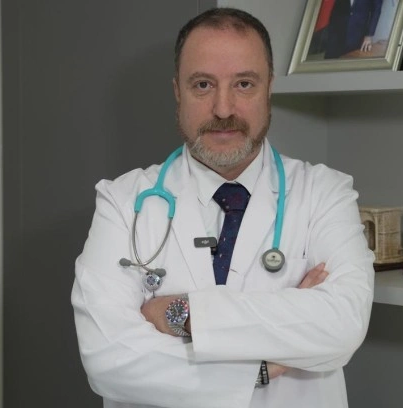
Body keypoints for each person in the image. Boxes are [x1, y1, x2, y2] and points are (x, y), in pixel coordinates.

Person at [72, 7, 375, 408]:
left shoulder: (325, 193)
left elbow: (343, 323)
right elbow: (108, 359)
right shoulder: (123, 201)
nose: (223, 109)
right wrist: (261, 368)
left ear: (269, 88)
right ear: (178, 91)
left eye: (244, 84)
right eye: (203, 85)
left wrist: (178, 314)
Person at [318, 0, 384, 59]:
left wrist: (369, 35)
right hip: (336, 28)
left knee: (349, 61)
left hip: (357, 32)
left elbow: (376, 10)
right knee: (330, 59)